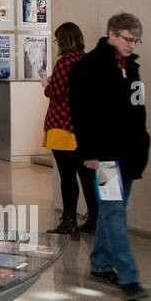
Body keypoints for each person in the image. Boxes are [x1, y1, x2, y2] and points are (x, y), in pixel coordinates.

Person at [70, 13, 151, 301]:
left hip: (130, 154)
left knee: (110, 211)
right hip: (105, 158)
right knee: (115, 211)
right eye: (128, 39)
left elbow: (138, 111)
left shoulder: (132, 68)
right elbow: (81, 115)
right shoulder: (87, 68)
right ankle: (129, 276)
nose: (132, 45)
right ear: (112, 35)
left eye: (136, 40)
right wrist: (90, 153)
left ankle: (100, 264)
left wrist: (142, 145)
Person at [41, 22, 95, 235]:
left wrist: (47, 84)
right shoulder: (88, 60)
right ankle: (94, 219)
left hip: (63, 126)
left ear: (63, 41)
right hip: (85, 129)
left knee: (68, 176)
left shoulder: (65, 62)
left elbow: (57, 92)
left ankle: (69, 221)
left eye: (57, 40)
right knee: (87, 176)